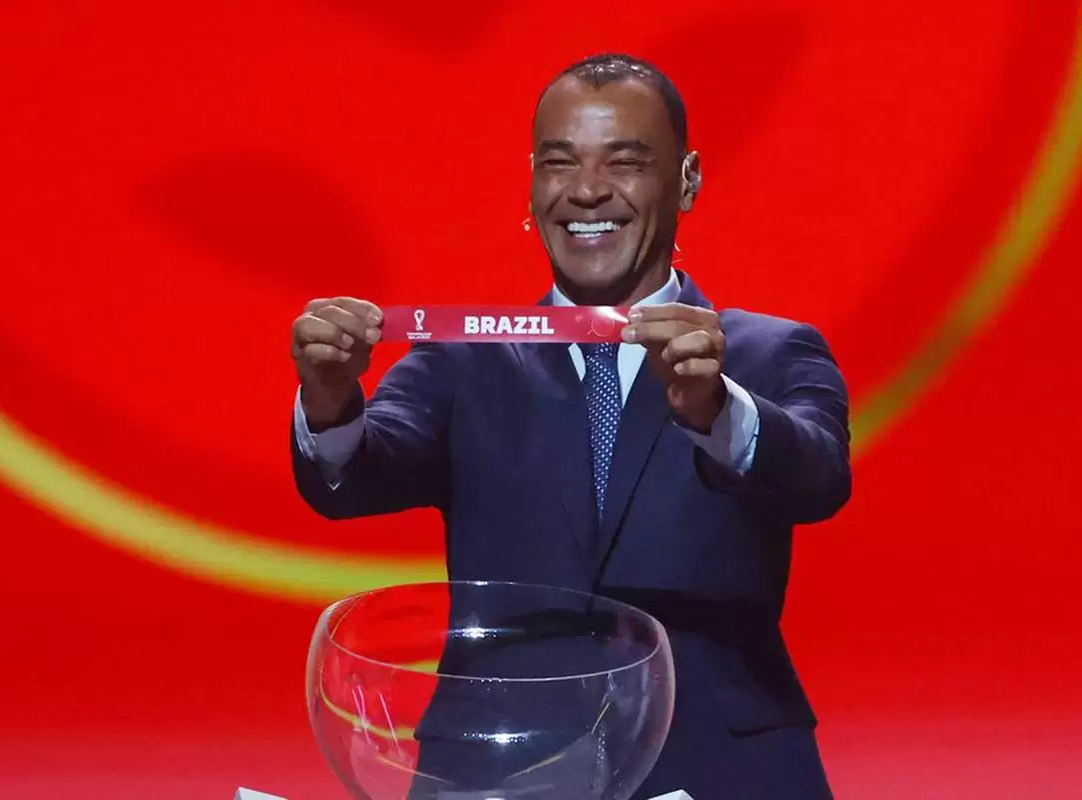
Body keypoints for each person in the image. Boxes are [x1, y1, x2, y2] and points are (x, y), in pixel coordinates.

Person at [291, 53, 851, 799]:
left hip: (716, 768)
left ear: (687, 179)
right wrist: (330, 398)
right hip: (497, 771)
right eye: (560, 163)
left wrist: (716, 410)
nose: (587, 191)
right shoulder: (465, 360)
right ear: (532, 182)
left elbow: (818, 476)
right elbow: (354, 473)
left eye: (625, 162)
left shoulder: (770, 353)